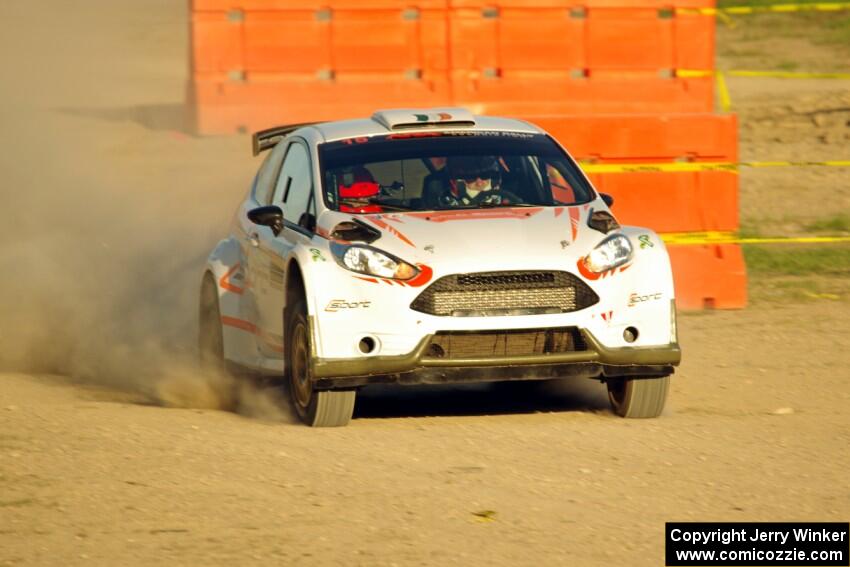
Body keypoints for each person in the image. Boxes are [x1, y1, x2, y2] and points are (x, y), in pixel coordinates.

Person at [430, 155, 521, 208]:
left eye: (485, 176)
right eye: (471, 177)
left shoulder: (512, 205)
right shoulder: (442, 208)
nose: (479, 182)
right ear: (454, 182)